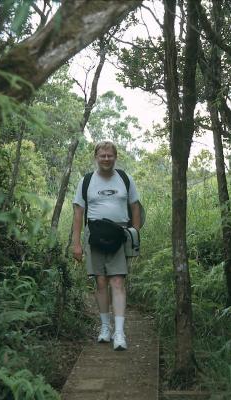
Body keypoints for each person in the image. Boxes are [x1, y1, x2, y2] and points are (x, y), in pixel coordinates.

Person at [72, 141, 140, 350]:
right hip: (94, 236)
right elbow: (78, 213)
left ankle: (119, 333)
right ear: (96, 157)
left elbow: (135, 207)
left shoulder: (125, 179)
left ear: (115, 157)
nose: (106, 159)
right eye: (102, 155)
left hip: (119, 236)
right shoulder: (86, 181)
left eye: (110, 155)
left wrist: (134, 233)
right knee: (100, 282)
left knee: (117, 281)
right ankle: (105, 328)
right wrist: (76, 243)